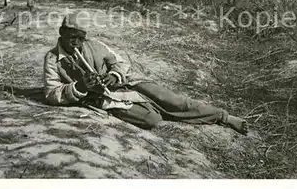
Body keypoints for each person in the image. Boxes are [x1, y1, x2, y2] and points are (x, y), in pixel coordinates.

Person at [43, 12, 249, 135]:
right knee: (151, 119)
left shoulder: (96, 45)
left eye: (80, 38)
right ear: (61, 33)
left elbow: (121, 63)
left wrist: (114, 75)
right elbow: (52, 93)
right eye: (72, 37)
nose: (76, 43)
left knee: (174, 101)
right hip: (102, 98)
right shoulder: (52, 59)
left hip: (127, 84)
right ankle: (156, 109)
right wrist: (80, 88)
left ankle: (223, 117)